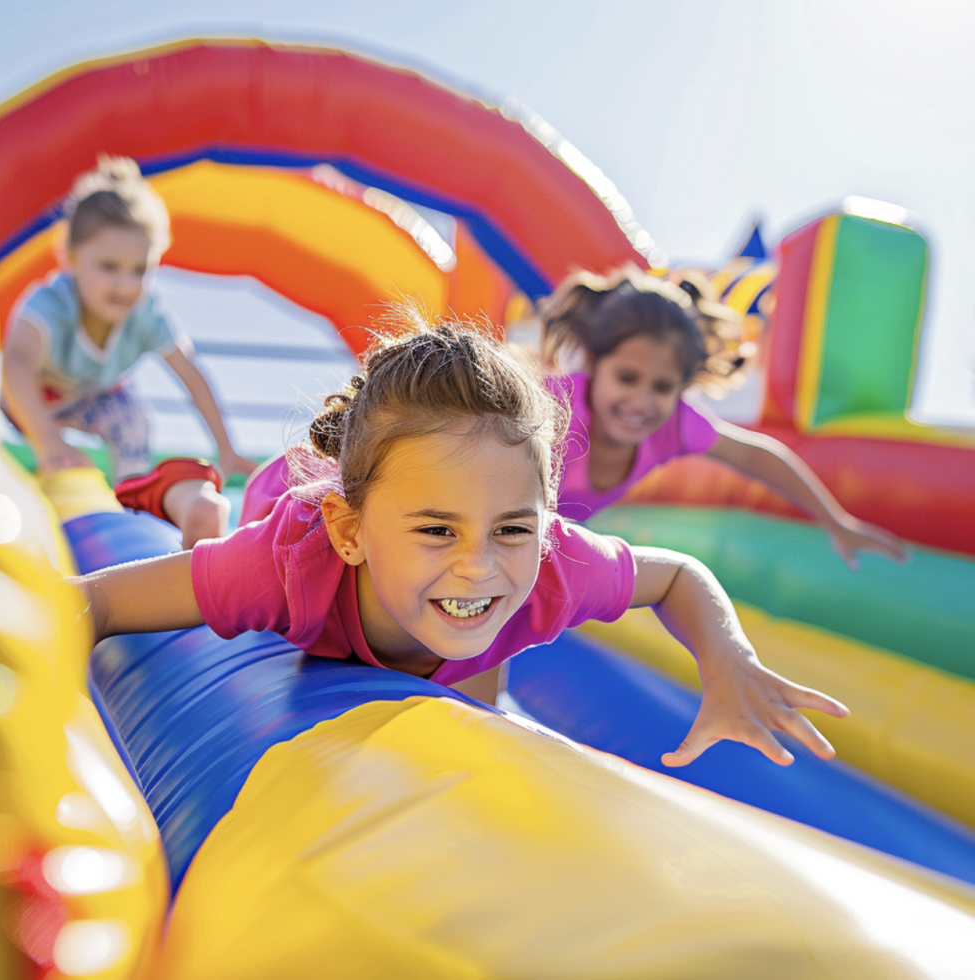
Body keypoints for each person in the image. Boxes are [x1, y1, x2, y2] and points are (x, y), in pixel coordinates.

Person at [74, 307, 848, 768]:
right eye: (437, 530)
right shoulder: (285, 563)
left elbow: (676, 575)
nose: (478, 561)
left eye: (513, 527)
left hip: (397, 529)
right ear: (353, 535)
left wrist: (729, 663)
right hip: (288, 491)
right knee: (212, 529)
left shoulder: (548, 565)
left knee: (481, 680)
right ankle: (192, 495)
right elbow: (96, 601)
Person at [538, 267, 908, 569]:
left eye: (663, 387)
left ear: (683, 388)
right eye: (627, 378)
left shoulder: (675, 426)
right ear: (593, 363)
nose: (641, 401)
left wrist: (835, 520)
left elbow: (755, 456)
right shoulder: (553, 407)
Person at [0, 156, 257, 548]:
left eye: (138, 270)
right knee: (28, 421)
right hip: (32, 399)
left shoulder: (145, 315)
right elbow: (15, 365)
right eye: (109, 266)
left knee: (134, 419)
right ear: (70, 259)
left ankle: (130, 504)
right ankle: (49, 481)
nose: (125, 282)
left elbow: (192, 376)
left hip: (94, 395)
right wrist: (48, 442)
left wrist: (226, 447)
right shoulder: (50, 305)